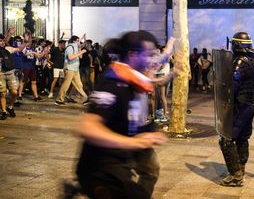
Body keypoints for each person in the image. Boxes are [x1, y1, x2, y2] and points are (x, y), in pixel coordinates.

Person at [76, 31, 172, 198]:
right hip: (102, 166)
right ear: (133, 55)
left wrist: (170, 48)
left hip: (126, 147)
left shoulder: (136, 75)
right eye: (149, 55)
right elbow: (87, 128)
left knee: (150, 170)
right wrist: (132, 142)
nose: (153, 61)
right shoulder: (112, 82)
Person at [219, 32, 254, 187]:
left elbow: (232, 85)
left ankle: (236, 176)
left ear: (236, 45)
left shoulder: (240, 62)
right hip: (251, 105)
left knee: (226, 139)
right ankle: (240, 169)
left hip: (241, 105)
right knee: (243, 138)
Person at [55, 36, 88, 105]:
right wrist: (81, 51)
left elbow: (80, 57)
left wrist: (80, 49)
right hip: (69, 68)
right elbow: (70, 57)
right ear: (74, 41)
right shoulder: (70, 47)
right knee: (66, 85)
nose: (79, 42)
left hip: (75, 69)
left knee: (79, 85)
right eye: (78, 40)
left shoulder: (76, 47)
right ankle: (59, 99)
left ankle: (85, 98)